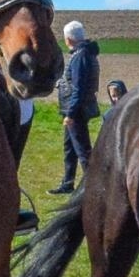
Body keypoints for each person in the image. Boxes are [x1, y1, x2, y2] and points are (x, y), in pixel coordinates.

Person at [49, 21, 100, 194]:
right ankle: (68, 183)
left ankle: (94, 187)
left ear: (68, 38)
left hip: (75, 111)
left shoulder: (80, 57)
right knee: (70, 149)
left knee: (82, 150)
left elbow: (79, 87)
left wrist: (70, 113)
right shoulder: (82, 54)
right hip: (73, 109)